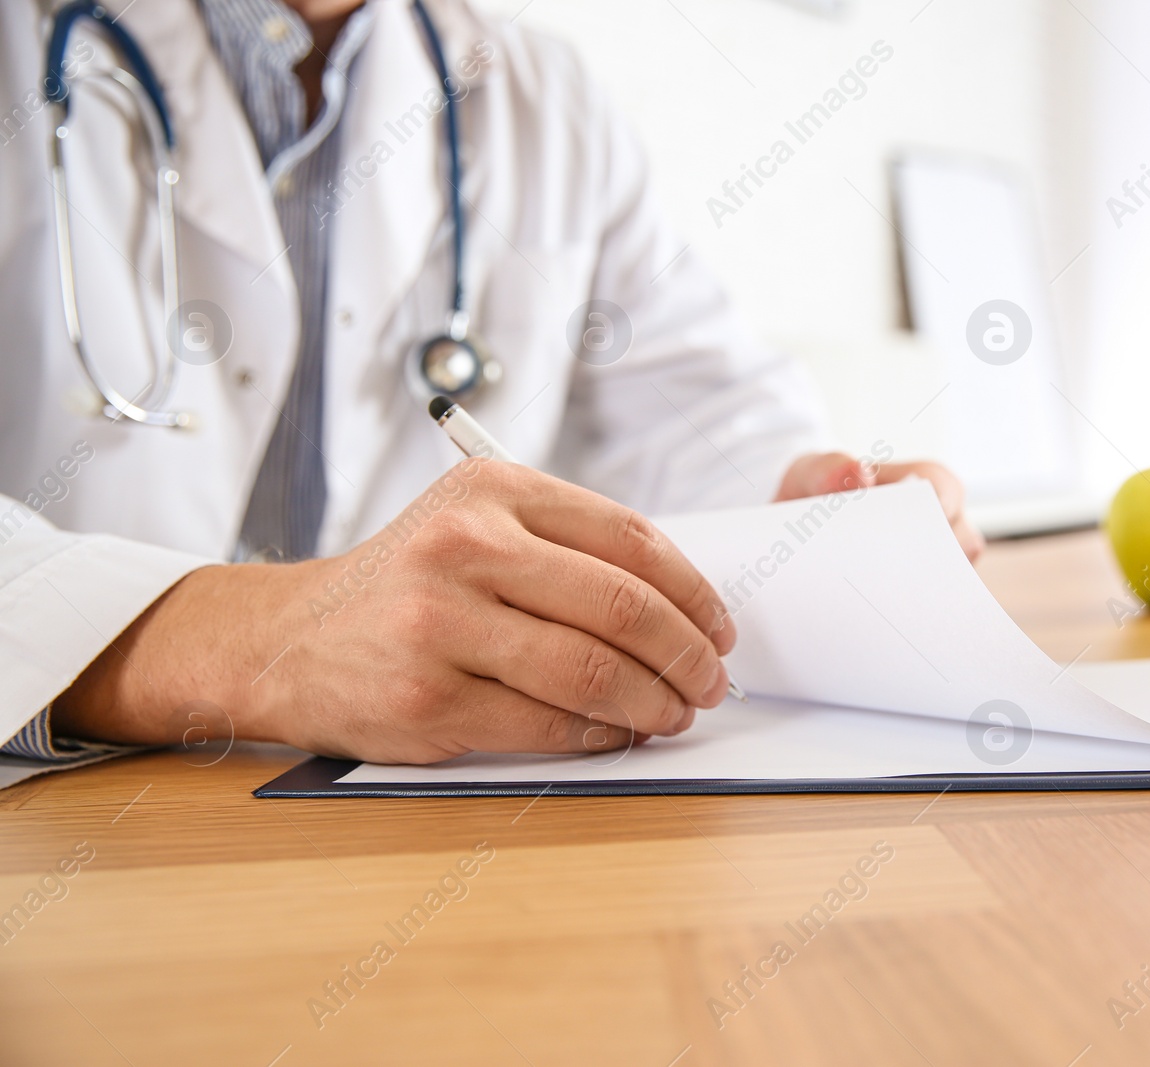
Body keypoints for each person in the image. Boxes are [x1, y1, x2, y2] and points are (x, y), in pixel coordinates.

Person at [0, 0, 981, 783]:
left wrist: (803, 507)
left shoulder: (538, 96)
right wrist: (250, 642)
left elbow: (697, 409)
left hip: (391, 830)